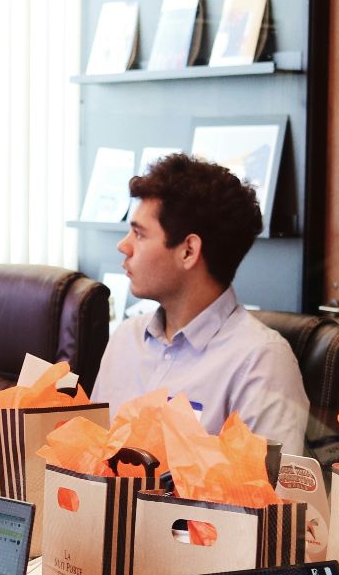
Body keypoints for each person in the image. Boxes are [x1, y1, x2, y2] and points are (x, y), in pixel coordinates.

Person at [90, 152, 309, 455]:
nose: (123, 246)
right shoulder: (125, 340)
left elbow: (268, 497)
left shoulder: (261, 361)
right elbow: (87, 464)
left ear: (189, 251)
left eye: (139, 234)